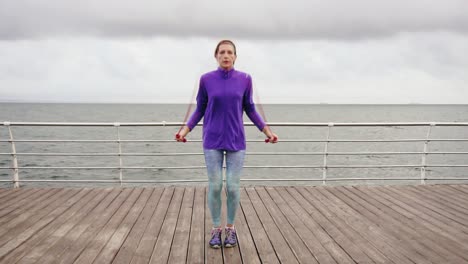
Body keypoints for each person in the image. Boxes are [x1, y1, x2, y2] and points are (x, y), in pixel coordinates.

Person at [176, 39, 278, 249]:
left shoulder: (245, 79)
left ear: (235, 56)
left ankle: (230, 229)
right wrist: (185, 130)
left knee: (232, 187)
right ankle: (216, 228)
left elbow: (250, 108)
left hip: (236, 141)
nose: (225, 55)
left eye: (229, 52)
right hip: (212, 140)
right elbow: (200, 109)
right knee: (215, 186)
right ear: (216, 56)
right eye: (222, 52)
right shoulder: (206, 80)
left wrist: (267, 131)